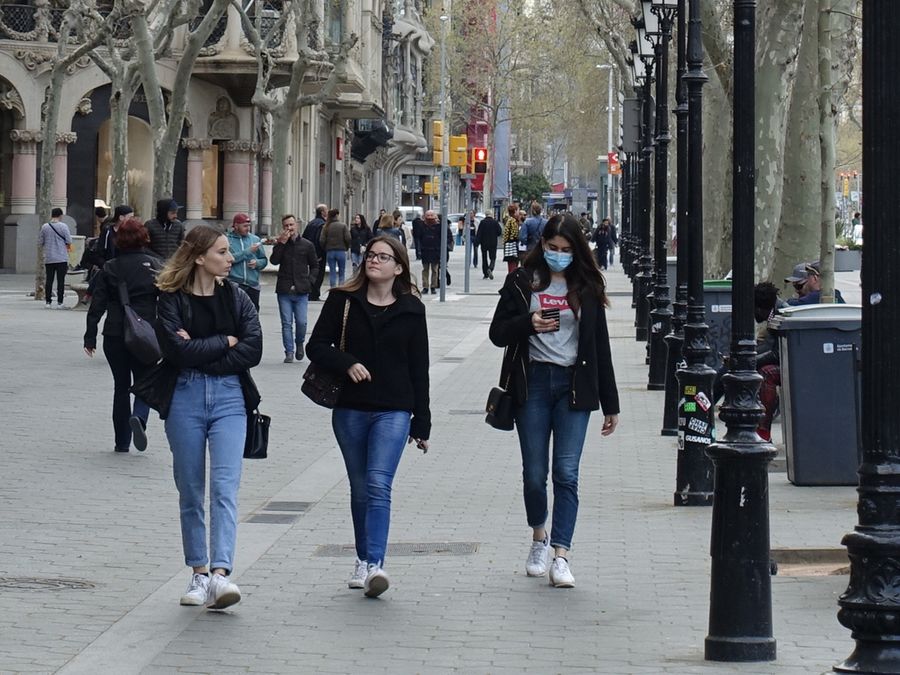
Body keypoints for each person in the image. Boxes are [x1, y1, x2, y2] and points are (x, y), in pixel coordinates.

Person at [489, 213, 620, 588]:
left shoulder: (587, 286)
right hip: (532, 384)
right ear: (542, 245)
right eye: (552, 247)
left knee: (566, 473)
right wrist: (528, 323)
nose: (558, 254)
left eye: (565, 249)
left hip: (573, 387)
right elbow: (498, 333)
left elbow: (599, 347)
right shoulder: (521, 281)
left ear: (576, 251)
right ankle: (539, 537)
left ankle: (561, 555)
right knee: (534, 474)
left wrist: (610, 404)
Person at [306, 235, 431, 598]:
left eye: (383, 257)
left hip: (394, 409)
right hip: (351, 408)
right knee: (360, 486)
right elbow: (316, 346)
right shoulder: (342, 300)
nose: (374, 260)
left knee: (378, 484)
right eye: (371, 255)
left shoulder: (412, 309)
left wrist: (422, 421)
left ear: (399, 267)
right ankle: (362, 559)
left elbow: (419, 367)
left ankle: (376, 564)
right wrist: (347, 363)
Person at [152, 225, 263, 610]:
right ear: (199, 257)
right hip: (184, 395)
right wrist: (223, 342)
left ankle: (220, 574)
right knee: (190, 488)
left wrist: (201, 351)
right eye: (221, 252)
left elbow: (253, 349)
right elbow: (176, 352)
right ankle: (198, 572)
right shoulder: (170, 300)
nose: (230, 258)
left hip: (231, 397)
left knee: (224, 487)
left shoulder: (237, 296)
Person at [84, 217, 162, 452]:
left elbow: (97, 305)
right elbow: (169, 302)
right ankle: (139, 416)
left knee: (121, 387)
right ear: (144, 238)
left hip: (115, 332)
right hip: (146, 333)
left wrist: (90, 336)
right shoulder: (155, 266)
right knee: (145, 381)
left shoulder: (110, 267)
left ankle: (122, 442)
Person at [271, 214, 318, 363]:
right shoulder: (281, 244)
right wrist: (281, 244)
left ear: (296, 225)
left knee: (302, 322)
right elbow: (274, 261)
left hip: (301, 290)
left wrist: (310, 281)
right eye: (286, 226)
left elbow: (315, 266)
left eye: (291, 225)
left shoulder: (307, 245)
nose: (289, 228)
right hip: (284, 290)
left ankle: (299, 343)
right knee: (286, 323)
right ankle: (289, 352)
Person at [226, 213, 268, 311]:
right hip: (235, 284)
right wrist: (248, 251)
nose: (248, 229)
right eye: (245, 226)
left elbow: (264, 260)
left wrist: (257, 263)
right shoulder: (228, 240)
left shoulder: (255, 239)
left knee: (252, 313)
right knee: (235, 313)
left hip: (252, 285)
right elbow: (229, 259)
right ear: (236, 226)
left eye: (249, 226)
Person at [39, 208, 72, 309]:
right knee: (61, 281)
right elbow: (69, 240)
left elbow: (40, 241)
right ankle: (60, 302)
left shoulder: (45, 226)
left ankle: (48, 302)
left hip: (49, 257)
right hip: (61, 257)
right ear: (60, 215)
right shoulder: (63, 226)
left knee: (49, 280)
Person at [419, 210, 452, 294]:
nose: (430, 217)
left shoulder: (440, 226)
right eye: (428, 215)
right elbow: (418, 237)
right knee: (425, 269)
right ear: (425, 216)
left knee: (435, 269)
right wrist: (420, 249)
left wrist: (442, 247)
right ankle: (425, 286)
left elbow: (448, 236)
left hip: (435, 250)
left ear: (435, 216)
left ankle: (433, 286)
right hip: (425, 250)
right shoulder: (422, 226)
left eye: (431, 215)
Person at [320, 208, 351, 288]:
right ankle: (341, 289)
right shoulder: (343, 226)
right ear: (337, 215)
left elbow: (322, 240)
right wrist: (346, 247)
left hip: (330, 251)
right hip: (341, 251)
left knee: (332, 272)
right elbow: (348, 238)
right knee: (341, 272)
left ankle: (333, 289)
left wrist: (325, 248)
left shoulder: (326, 226)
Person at [302, 204, 328, 301]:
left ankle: (310, 292)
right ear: (322, 212)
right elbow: (320, 240)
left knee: (311, 273)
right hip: (318, 253)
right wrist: (320, 253)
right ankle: (314, 294)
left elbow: (304, 237)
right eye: (326, 210)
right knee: (319, 274)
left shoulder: (311, 223)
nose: (327, 212)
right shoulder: (322, 224)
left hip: (309, 252)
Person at [476, 211, 501, 280]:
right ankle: (490, 268)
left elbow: (479, 233)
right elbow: (499, 232)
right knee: (493, 257)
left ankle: (485, 274)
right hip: (493, 243)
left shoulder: (482, 222)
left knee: (484, 258)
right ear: (491, 215)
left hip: (484, 243)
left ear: (485, 215)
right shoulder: (495, 222)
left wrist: (477, 243)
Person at [502, 204, 521, 274]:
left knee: (511, 265)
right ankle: (512, 278)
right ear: (515, 211)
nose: (519, 212)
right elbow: (515, 234)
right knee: (513, 266)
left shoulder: (510, 220)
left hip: (509, 246)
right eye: (518, 210)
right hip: (512, 246)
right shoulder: (513, 221)